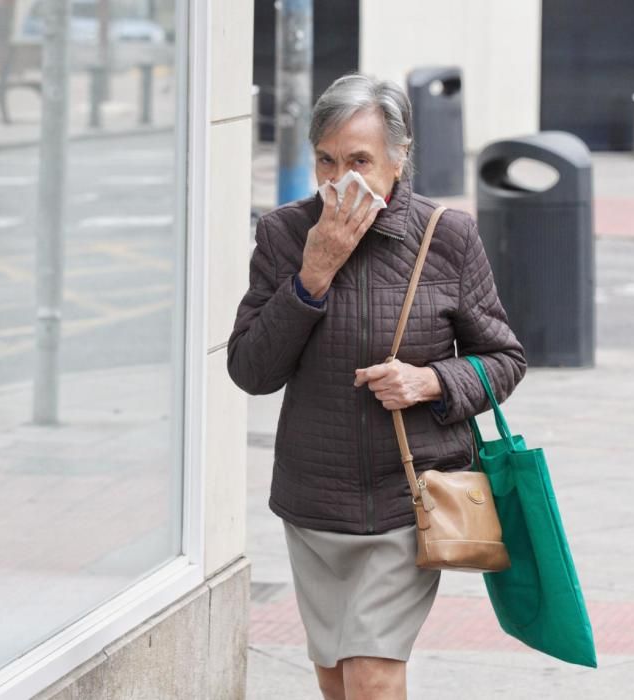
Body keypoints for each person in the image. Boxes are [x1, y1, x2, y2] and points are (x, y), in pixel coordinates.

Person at [227, 73, 527, 700]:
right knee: (337, 679)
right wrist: (313, 273)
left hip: (408, 498)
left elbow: (503, 357)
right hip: (315, 502)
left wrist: (431, 381)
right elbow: (252, 371)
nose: (343, 179)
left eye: (360, 160)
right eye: (327, 161)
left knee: (370, 676)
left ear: (398, 160)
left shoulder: (448, 236)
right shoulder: (284, 234)